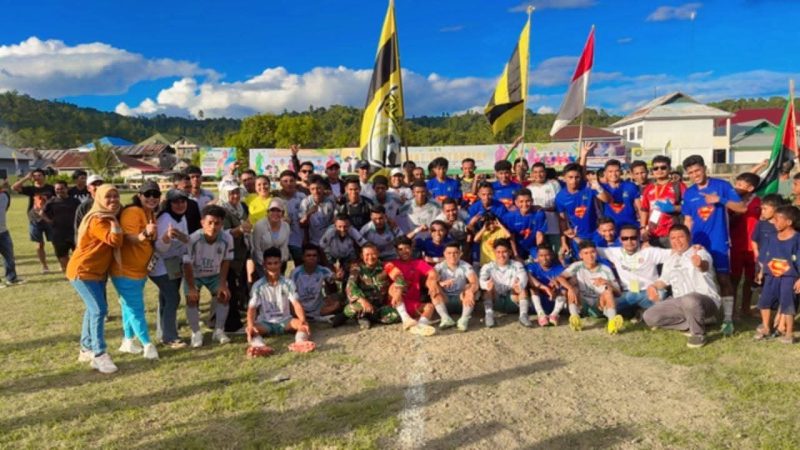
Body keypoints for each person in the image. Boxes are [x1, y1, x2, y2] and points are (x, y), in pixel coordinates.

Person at [681, 155, 746, 336]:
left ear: (705, 168)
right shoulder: (689, 193)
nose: (695, 174)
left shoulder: (722, 186)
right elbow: (688, 219)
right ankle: (704, 315)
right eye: (691, 172)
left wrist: (720, 200)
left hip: (720, 242)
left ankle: (727, 319)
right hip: (698, 245)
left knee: (724, 279)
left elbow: (742, 208)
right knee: (699, 280)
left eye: (697, 170)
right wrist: (687, 244)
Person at [67, 184, 124, 373]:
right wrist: (115, 224)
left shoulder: (107, 217)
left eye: (116, 196)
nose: (113, 200)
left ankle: (86, 348)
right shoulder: (98, 220)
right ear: (99, 198)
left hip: (97, 272)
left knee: (91, 310)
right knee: (99, 310)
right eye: (108, 197)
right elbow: (115, 240)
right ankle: (99, 355)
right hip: (83, 271)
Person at [642, 224, 721, 348]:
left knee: (689, 299)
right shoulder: (670, 260)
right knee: (649, 316)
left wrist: (700, 263)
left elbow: (704, 266)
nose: (677, 241)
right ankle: (696, 322)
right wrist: (653, 286)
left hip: (705, 300)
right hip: (680, 302)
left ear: (689, 238)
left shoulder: (699, 251)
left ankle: (698, 334)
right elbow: (663, 280)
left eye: (681, 237)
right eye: (673, 238)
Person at [110, 181, 160, 360]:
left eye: (156, 194)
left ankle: (128, 340)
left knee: (128, 307)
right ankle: (147, 344)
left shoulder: (149, 213)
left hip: (139, 271)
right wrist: (145, 234)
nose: (152, 198)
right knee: (136, 307)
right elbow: (128, 238)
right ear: (140, 196)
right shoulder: (133, 212)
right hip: (125, 271)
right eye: (148, 194)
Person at [246, 247, 316, 353]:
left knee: (303, 325)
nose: (273, 267)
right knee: (251, 330)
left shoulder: (288, 283)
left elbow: (296, 303)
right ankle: (259, 347)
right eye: (269, 263)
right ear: (264, 265)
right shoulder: (258, 285)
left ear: (281, 264)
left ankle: (300, 343)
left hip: (285, 321)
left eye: (276, 263)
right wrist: (250, 325)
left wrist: (302, 320)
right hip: (265, 322)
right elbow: (252, 308)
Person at [184, 205, 234, 347]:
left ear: (222, 224)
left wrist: (223, 284)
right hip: (194, 274)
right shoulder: (193, 239)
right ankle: (196, 333)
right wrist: (192, 287)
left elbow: (226, 261)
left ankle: (218, 331)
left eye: (217, 223)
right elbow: (186, 265)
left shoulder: (227, 238)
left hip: (215, 274)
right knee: (191, 298)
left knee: (224, 295)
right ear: (202, 223)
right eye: (209, 223)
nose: (213, 227)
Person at [596, 224, 671, 318]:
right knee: (605, 309)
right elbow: (590, 249)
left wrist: (694, 248)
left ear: (639, 237)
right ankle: (639, 312)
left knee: (661, 295)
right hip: (628, 294)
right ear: (620, 239)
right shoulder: (614, 252)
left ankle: (641, 312)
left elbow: (675, 253)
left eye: (633, 238)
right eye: (625, 238)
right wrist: (574, 237)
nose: (629, 241)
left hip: (649, 292)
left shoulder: (650, 252)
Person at [753, 205, 800, 344]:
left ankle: (789, 333)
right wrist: (761, 271)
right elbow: (765, 255)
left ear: (789, 222)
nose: (774, 222)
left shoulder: (797, 239)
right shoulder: (771, 237)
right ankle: (766, 328)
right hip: (770, 275)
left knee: (788, 304)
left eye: (778, 219)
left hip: (788, 277)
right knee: (765, 302)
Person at [150, 189, 190, 348]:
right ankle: (170, 336)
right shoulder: (164, 219)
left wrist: (180, 236)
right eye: (176, 202)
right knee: (173, 298)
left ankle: (164, 333)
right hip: (160, 266)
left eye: (183, 201)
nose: (180, 205)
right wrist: (167, 237)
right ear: (169, 203)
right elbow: (159, 247)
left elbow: (185, 239)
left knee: (166, 298)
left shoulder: (182, 217)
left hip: (174, 264)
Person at [556, 240, 624, 334]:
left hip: (599, 304)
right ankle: (575, 319)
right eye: (586, 253)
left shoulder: (605, 269)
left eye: (592, 252)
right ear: (581, 255)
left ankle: (612, 323)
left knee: (608, 291)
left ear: (596, 253)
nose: (590, 256)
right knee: (573, 288)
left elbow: (619, 293)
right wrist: (569, 288)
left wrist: (608, 282)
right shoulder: (577, 266)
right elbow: (559, 277)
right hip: (583, 304)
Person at [384, 236, 442, 335]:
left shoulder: (418, 263)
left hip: (413, 303)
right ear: (396, 251)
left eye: (407, 248)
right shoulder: (390, 263)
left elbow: (433, 273)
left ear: (411, 248)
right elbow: (396, 276)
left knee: (429, 307)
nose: (404, 251)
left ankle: (420, 325)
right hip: (395, 303)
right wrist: (399, 291)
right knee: (395, 285)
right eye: (400, 249)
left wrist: (432, 282)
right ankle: (405, 318)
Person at [555, 163, 610, 261]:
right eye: (570, 177)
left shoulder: (588, 187)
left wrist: (597, 187)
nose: (574, 180)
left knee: (600, 260)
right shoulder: (560, 197)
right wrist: (564, 242)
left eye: (577, 177)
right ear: (564, 178)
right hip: (578, 236)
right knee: (583, 263)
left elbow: (607, 200)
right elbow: (562, 220)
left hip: (596, 233)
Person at [217, 178, 251, 333]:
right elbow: (220, 233)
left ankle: (225, 320)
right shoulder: (221, 210)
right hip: (226, 255)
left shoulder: (242, 206)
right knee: (228, 286)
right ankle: (231, 324)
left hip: (241, 253)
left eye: (237, 192)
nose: (235, 196)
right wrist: (238, 230)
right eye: (231, 193)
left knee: (238, 286)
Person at [729, 172, 762, 318]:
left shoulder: (759, 202)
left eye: (741, 185)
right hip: (736, 246)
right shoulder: (732, 202)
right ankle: (732, 310)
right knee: (734, 280)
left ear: (751, 188)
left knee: (750, 280)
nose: (737, 187)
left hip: (754, 247)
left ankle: (746, 308)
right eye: (737, 184)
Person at [479, 238, 530, 327]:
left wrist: (519, 285)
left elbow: (523, 277)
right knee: (487, 290)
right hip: (496, 300)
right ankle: (489, 315)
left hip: (512, 299)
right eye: (498, 252)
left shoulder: (517, 265)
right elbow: (481, 280)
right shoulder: (487, 266)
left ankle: (523, 315)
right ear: (494, 252)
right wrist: (486, 285)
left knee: (522, 289)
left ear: (510, 252)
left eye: (504, 252)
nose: (501, 255)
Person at [12, 168, 55, 273]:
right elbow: (14, 187)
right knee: (39, 244)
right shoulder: (31, 189)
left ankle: (63, 262)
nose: (37, 177)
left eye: (40, 175)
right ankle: (44, 266)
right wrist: (26, 177)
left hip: (49, 219)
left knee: (56, 242)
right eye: (35, 175)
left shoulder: (51, 188)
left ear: (44, 177)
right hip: (35, 220)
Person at [640, 155, 685, 248]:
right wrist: (643, 228)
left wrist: (674, 208)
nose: (659, 170)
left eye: (663, 167)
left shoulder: (678, 186)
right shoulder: (648, 188)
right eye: (656, 168)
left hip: (673, 234)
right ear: (652, 171)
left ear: (669, 169)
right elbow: (644, 209)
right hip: (653, 233)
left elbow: (690, 208)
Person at [434, 242, 479, 331]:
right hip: (445, 299)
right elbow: (430, 281)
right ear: (444, 254)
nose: (452, 256)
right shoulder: (439, 266)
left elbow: (474, 282)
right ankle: (445, 318)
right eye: (449, 253)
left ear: (460, 254)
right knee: (433, 289)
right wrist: (440, 284)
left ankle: (464, 319)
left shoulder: (466, 266)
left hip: (461, 299)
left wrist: (469, 291)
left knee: (471, 289)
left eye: (455, 253)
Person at [289, 244, 341, 321]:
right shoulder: (295, 273)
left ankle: (311, 316)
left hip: (318, 307)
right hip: (301, 307)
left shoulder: (323, 270)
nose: (311, 258)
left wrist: (339, 276)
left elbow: (335, 277)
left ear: (318, 258)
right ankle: (304, 316)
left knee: (337, 304)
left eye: (314, 255)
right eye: (308, 255)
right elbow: (290, 294)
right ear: (303, 257)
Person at [41, 180, 81, 272]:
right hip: (58, 234)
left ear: (67, 189)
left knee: (78, 253)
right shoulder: (51, 202)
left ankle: (77, 270)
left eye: (62, 188)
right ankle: (69, 272)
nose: (59, 191)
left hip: (74, 232)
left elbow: (81, 214)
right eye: (57, 189)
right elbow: (41, 213)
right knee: (62, 255)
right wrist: (50, 221)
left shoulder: (75, 201)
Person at [526, 245, 567, 326]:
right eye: (541, 256)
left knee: (564, 288)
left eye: (547, 255)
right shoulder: (532, 266)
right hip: (538, 301)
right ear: (537, 256)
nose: (544, 258)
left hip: (554, 299)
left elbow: (563, 279)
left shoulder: (558, 268)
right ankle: (541, 315)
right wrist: (544, 288)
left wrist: (557, 284)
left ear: (551, 255)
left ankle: (554, 314)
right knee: (532, 287)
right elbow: (528, 276)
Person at [501, 188, 546, 261]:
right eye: (521, 201)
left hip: (533, 246)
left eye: (527, 201)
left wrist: (539, 254)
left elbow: (539, 235)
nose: (524, 204)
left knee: (540, 260)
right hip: (517, 247)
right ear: (516, 202)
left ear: (532, 201)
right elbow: (511, 237)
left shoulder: (539, 214)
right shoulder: (509, 217)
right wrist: (515, 255)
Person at [251, 198, 290, 280]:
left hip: (278, 262)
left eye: (278, 211)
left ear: (282, 213)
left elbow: (284, 248)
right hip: (261, 261)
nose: (275, 213)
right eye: (272, 210)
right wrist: (266, 266)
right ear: (268, 212)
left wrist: (278, 265)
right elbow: (256, 248)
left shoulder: (286, 226)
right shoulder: (259, 225)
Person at [274, 169, 307, 266]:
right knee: (280, 267)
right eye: (285, 181)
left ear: (296, 182)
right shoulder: (275, 198)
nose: (289, 184)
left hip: (298, 239)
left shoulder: (302, 197)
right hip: (281, 241)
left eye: (292, 181)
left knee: (301, 266)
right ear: (280, 183)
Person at [528, 162, 562, 253]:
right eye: (535, 172)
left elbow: (560, 204)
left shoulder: (554, 184)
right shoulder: (529, 188)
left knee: (556, 250)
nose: (538, 175)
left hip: (553, 223)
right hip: (537, 225)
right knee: (540, 250)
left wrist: (544, 209)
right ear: (531, 174)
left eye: (541, 172)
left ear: (545, 172)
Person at [600, 159, 640, 227]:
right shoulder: (601, 188)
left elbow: (640, 207)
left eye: (617, 171)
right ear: (605, 173)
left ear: (621, 172)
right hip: (610, 229)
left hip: (631, 226)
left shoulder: (630, 186)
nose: (614, 174)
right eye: (610, 171)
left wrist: (643, 226)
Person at [299, 178, 336, 246]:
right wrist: (308, 213)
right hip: (313, 241)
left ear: (323, 188)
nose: (316, 191)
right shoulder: (306, 202)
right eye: (312, 189)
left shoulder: (331, 199)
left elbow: (336, 219)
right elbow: (301, 224)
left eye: (318, 188)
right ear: (309, 189)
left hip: (330, 241)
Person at [0, 178, 22, 287]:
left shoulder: (5, 195)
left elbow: (5, 209)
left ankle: (11, 278)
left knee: (9, 256)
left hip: (3, 232)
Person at [73, 174, 105, 239]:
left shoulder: (112, 203)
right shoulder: (84, 206)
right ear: (88, 188)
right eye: (94, 184)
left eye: (100, 184)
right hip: (90, 241)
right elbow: (78, 227)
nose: (98, 187)